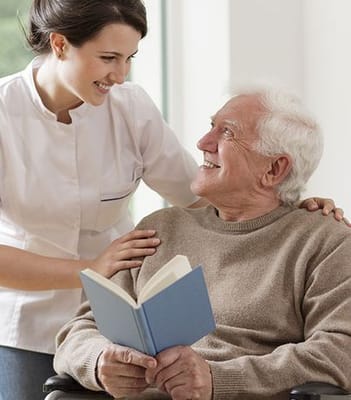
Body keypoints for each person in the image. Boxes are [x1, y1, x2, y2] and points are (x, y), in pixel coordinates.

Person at [0, 0, 343, 398]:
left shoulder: (130, 107)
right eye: (108, 57)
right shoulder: (5, 113)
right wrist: (92, 275)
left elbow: (201, 191)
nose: (121, 74)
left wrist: (295, 208)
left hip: (126, 319)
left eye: (129, 57)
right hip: (33, 316)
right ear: (59, 45)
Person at [54, 87, 351, 400]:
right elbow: (78, 330)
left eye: (226, 133)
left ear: (274, 169)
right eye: (212, 126)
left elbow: (340, 351)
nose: (202, 143)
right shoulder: (160, 228)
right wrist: (99, 360)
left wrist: (218, 379)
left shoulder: (326, 242)